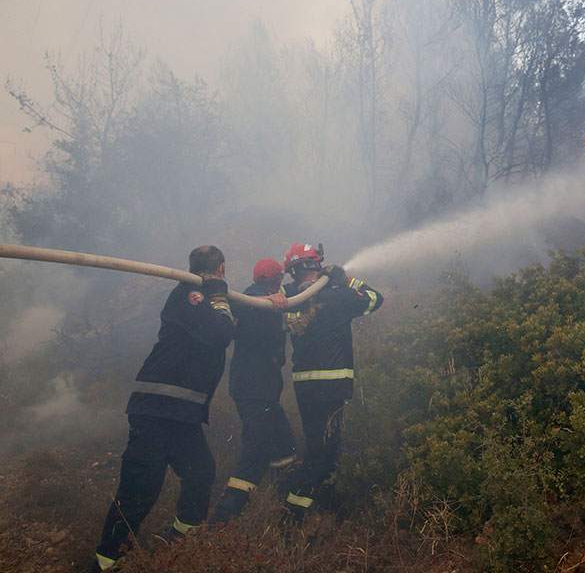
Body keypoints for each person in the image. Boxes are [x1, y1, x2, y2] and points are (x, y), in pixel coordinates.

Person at [92, 246, 236, 571]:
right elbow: (222, 333)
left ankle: (181, 543)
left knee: (200, 473)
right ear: (223, 268)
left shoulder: (203, 299)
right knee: (140, 489)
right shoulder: (192, 294)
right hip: (158, 410)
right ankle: (106, 561)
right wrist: (217, 292)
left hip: (182, 415)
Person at [280, 242, 383, 522]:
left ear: (291, 270)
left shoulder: (286, 297)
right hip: (332, 384)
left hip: (304, 386)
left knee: (319, 447)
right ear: (318, 263)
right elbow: (375, 298)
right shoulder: (338, 296)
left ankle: (328, 505)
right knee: (322, 454)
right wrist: (346, 279)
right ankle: (291, 515)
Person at [209, 258, 295, 524]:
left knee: (285, 445)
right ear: (275, 280)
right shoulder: (252, 301)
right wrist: (270, 300)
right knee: (255, 452)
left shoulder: (263, 299)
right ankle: (223, 520)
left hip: (262, 391)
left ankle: (286, 503)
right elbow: (245, 305)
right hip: (254, 391)